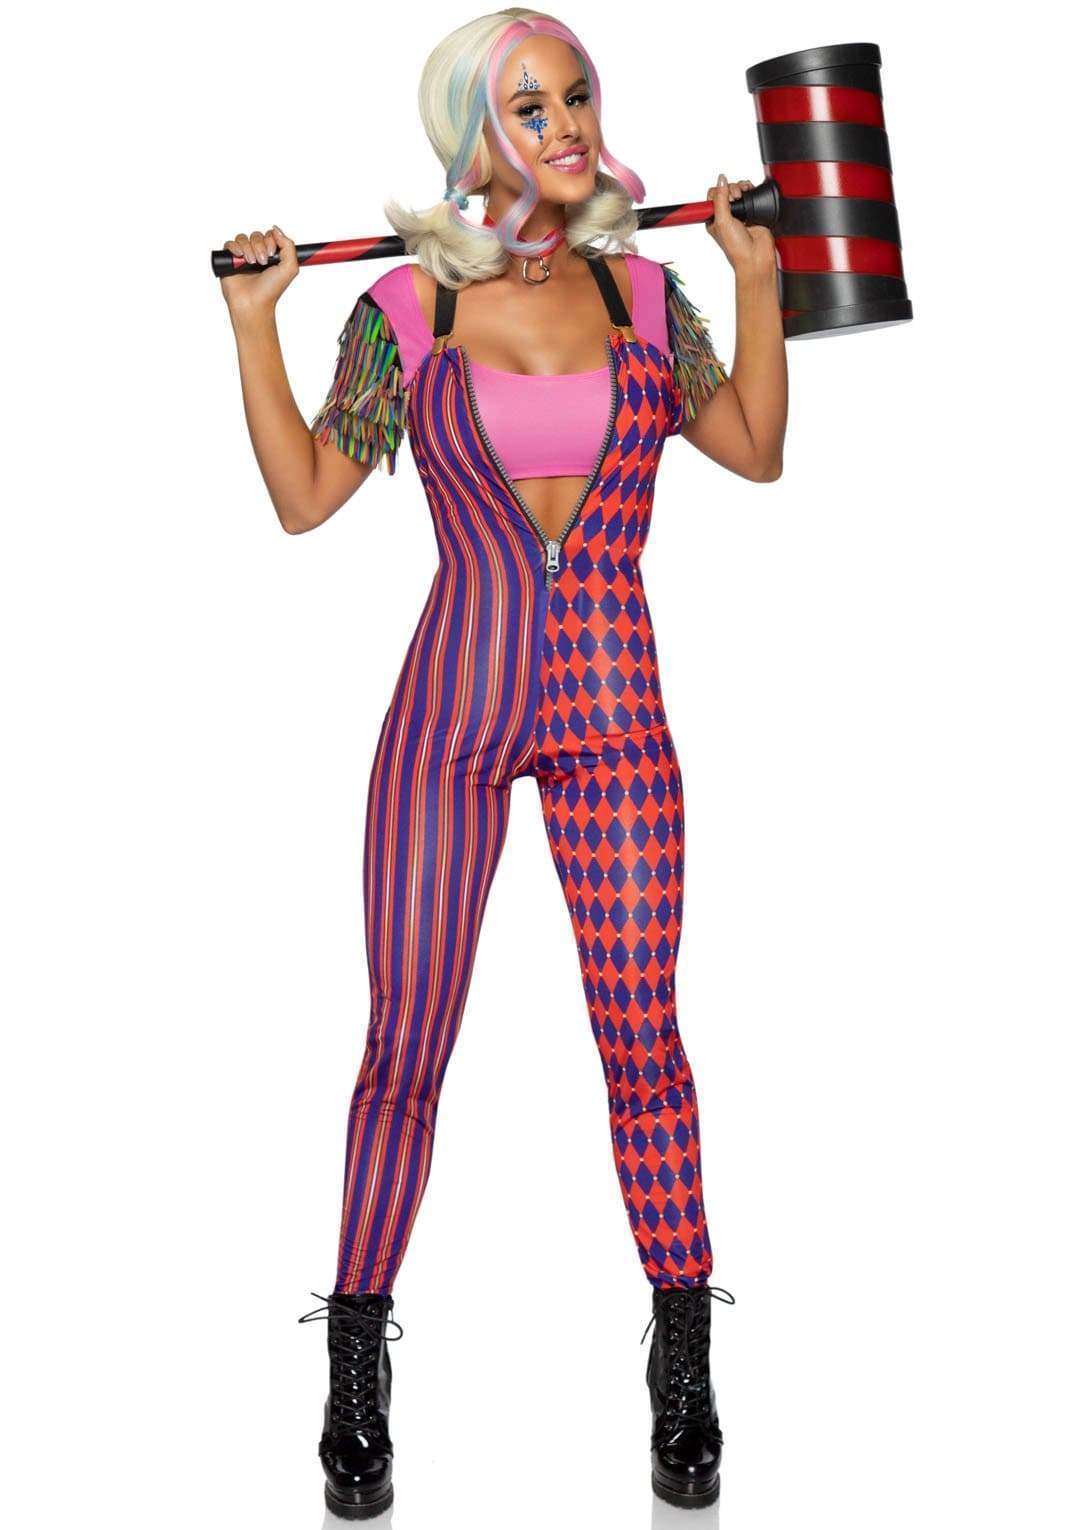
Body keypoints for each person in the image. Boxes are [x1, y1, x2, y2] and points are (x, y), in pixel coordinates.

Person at [219, 8, 786, 1517]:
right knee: (405, 1046)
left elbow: (752, 447)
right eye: (528, 105)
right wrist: (254, 324)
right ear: (472, 139)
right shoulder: (405, 306)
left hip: (614, 714)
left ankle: (682, 1363)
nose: (565, 123)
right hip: (449, 720)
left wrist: (757, 278)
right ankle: (354, 1366)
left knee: (644, 1043)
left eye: (577, 94)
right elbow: (305, 499)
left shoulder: (646, 290)